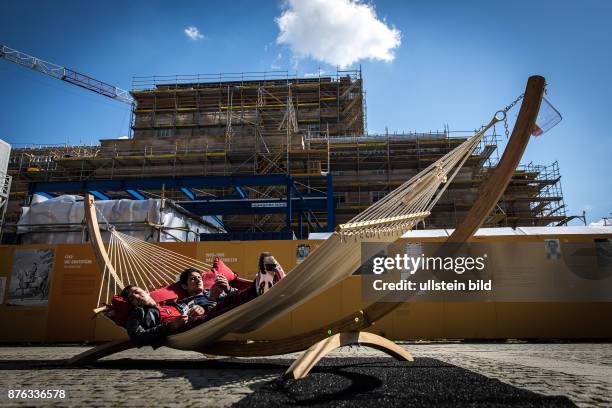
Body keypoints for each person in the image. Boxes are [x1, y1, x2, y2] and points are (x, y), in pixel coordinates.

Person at [121, 285, 203, 347]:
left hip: (200, 324)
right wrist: (170, 326)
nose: (136, 296)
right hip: (186, 332)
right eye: (131, 298)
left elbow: (191, 309)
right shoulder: (138, 313)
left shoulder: (170, 305)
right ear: (133, 304)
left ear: (147, 292)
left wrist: (199, 309)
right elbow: (136, 338)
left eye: (136, 292)